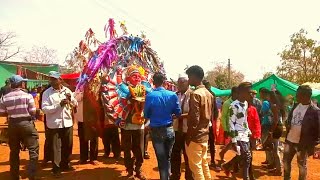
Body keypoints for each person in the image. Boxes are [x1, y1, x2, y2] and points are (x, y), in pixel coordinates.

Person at [0, 75, 39, 180]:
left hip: (12, 125)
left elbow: (2, 113)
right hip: (26, 124)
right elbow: (32, 111)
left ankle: (14, 176)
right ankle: (31, 174)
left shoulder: (5, 97)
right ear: (20, 84)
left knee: (14, 152)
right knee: (33, 150)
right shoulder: (27, 96)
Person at [144, 72, 181, 180]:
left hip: (156, 132)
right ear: (164, 82)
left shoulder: (150, 96)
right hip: (169, 130)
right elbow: (178, 113)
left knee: (161, 159)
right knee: (168, 157)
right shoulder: (172, 95)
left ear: (153, 82)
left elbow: (146, 114)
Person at [41, 71, 78, 177]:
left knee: (68, 145)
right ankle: (56, 168)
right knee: (55, 147)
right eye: (51, 79)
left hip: (67, 122)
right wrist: (58, 105)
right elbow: (44, 109)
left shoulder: (67, 91)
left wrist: (71, 100)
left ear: (60, 80)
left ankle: (65, 164)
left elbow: (75, 103)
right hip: (54, 124)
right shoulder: (47, 93)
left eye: (54, 79)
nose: (52, 81)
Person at [283, 85, 320, 180]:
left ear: (305, 96)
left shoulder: (315, 111)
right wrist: (288, 124)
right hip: (290, 140)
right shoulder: (295, 105)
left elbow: (318, 129)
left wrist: (314, 145)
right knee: (286, 162)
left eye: (298, 94)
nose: (296, 96)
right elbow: (291, 118)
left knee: (301, 165)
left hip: (302, 144)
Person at [185, 65, 213, 180]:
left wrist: (189, 136)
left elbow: (194, 119)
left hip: (196, 136)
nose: (188, 80)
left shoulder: (195, 94)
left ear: (194, 76)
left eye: (189, 77)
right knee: (204, 164)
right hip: (205, 135)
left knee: (196, 168)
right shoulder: (209, 94)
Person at [224, 82, 252, 180]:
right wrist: (234, 140)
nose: (250, 94)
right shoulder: (233, 105)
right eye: (249, 92)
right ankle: (246, 177)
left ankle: (227, 166)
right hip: (237, 134)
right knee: (247, 156)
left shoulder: (245, 104)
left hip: (245, 133)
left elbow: (244, 119)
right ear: (242, 92)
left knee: (243, 155)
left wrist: (248, 130)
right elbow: (231, 123)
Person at [170, 76, 193, 180]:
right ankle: (175, 175)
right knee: (175, 154)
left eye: (182, 83)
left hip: (188, 130)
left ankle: (189, 177)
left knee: (188, 155)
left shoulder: (193, 95)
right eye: (178, 83)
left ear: (187, 83)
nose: (179, 85)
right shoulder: (175, 95)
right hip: (176, 130)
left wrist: (181, 116)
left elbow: (194, 113)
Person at [74, 91, 99, 165]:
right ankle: (83, 158)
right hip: (82, 118)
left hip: (93, 118)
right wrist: (82, 94)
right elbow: (75, 99)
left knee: (94, 138)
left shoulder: (95, 88)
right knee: (82, 138)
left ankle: (93, 158)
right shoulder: (79, 88)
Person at [202, 79, 221, 171]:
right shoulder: (212, 94)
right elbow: (215, 110)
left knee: (205, 142)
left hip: (205, 123)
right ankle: (212, 161)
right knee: (211, 142)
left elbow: (215, 110)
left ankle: (209, 161)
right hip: (209, 122)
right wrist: (215, 120)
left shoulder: (206, 94)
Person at [219, 86, 238, 162]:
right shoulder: (227, 103)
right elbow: (223, 117)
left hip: (238, 126)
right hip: (230, 127)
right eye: (237, 93)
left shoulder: (239, 103)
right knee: (236, 143)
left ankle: (222, 153)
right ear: (233, 93)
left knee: (235, 143)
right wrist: (225, 129)